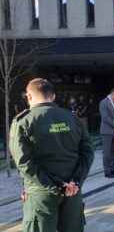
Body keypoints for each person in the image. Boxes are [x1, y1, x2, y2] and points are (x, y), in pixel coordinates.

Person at [9, 78, 94, 232]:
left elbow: (23, 162)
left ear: (28, 96)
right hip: (72, 193)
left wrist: (56, 186)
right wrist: (75, 182)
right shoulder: (72, 118)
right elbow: (88, 152)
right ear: (53, 96)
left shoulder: (23, 122)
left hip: (42, 195)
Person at [99, 87, 114, 178]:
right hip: (107, 131)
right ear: (112, 94)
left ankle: (113, 168)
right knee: (107, 152)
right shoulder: (103, 102)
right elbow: (105, 117)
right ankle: (107, 171)